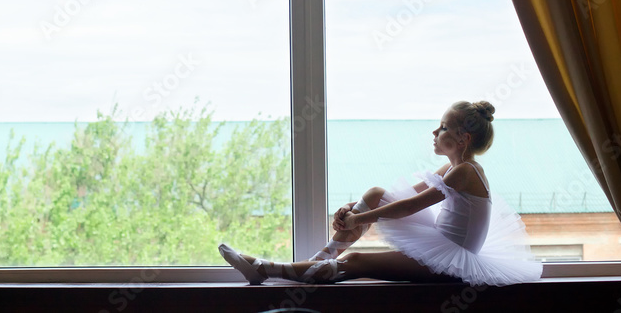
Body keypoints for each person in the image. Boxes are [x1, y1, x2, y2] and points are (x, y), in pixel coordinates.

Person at [219, 101, 543, 286]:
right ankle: (312, 262)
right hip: (442, 244)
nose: (435, 132)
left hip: (450, 262)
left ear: (462, 138)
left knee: (357, 260)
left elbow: (409, 207)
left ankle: (268, 269)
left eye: (443, 127)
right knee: (376, 193)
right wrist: (356, 206)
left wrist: (360, 217)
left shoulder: (465, 172)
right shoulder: (452, 169)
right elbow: (395, 199)